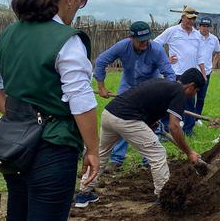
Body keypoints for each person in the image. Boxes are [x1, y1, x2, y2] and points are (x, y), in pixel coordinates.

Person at [0, 0, 99, 220]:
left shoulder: (9, 34)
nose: (79, 6)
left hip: (15, 147)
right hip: (53, 148)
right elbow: (81, 101)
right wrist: (92, 149)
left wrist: (16, 113)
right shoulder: (67, 41)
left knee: (19, 212)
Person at [75, 69, 205, 207]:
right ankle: (164, 196)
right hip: (127, 119)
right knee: (158, 153)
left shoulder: (164, 84)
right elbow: (175, 127)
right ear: (190, 86)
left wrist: (150, 122)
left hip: (109, 114)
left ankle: (84, 194)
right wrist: (189, 152)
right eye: (196, 91)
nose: (194, 95)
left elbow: (145, 102)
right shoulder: (179, 92)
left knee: (101, 154)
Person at [95, 21, 176, 172]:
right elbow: (101, 61)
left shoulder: (157, 50)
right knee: (121, 120)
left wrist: (166, 97)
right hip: (128, 87)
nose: (145, 44)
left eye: (147, 40)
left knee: (150, 124)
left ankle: (149, 160)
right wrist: (101, 87)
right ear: (131, 38)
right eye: (141, 41)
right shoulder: (122, 46)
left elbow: (169, 74)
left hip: (150, 90)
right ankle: (116, 160)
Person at [154, 6, 207, 136]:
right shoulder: (172, 31)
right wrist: (166, 59)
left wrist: (203, 74)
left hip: (191, 75)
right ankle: (165, 128)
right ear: (182, 17)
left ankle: (188, 129)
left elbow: (200, 56)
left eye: (193, 18)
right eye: (188, 18)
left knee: (190, 103)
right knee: (168, 101)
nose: (190, 21)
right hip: (174, 73)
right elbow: (155, 45)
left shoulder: (197, 35)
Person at [195, 17, 220, 123]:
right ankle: (186, 117)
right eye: (203, 26)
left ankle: (197, 118)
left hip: (206, 72)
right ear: (199, 26)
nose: (205, 28)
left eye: (207, 26)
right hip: (193, 70)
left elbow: (218, 52)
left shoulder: (214, 39)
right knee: (189, 96)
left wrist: (213, 65)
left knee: (201, 97)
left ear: (210, 27)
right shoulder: (194, 36)